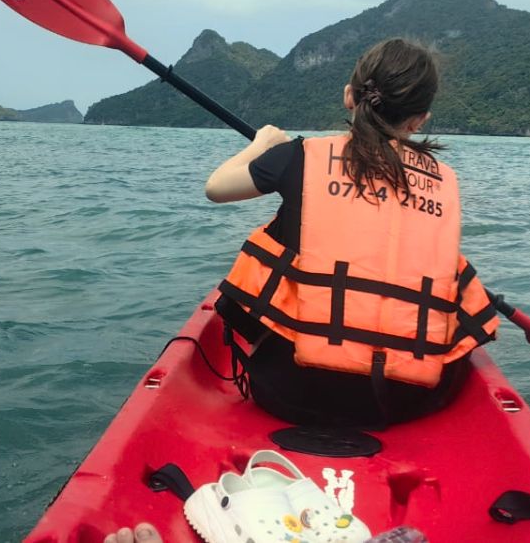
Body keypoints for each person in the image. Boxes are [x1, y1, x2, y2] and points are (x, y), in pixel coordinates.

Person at [205, 38, 498, 427]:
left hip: (288, 391)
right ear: (420, 119)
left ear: (349, 96)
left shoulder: (299, 156)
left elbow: (216, 188)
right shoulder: (442, 182)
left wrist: (262, 146)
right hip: (405, 402)